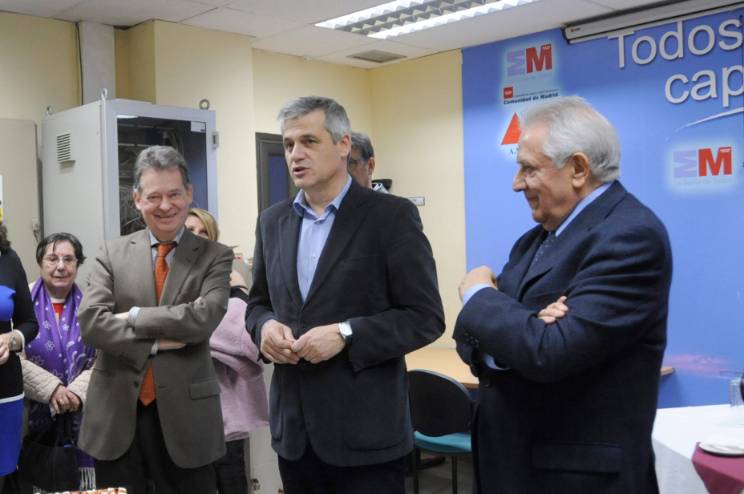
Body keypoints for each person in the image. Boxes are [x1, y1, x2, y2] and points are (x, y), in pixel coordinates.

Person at [454, 96, 672, 493]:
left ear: (578, 169)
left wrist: (479, 294)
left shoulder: (630, 236)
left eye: (529, 168)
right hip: (511, 467)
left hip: (577, 480)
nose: (516, 183)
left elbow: (550, 352)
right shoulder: (533, 241)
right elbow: (471, 339)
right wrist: (525, 328)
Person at [246, 96, 444, 494]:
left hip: (366, 438)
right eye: (288, 144)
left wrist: (346, 333)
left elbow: (425, 317)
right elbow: (258, 304)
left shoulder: (390, 217)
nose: (295, 154)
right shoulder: (272, 222)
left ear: (343, 145)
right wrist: (264, 327)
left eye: (309, 141)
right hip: (296, 437)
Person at [78, 145, 233, 494]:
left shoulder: (215, 256)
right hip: (116, 417)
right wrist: (158, 342)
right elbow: (91, 323)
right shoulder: (110, 253)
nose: (165, 205)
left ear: (189, 193)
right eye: (154, 196)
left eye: (174, 194)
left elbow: (203, 319)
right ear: (137, 199)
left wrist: (134, 316)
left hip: (187, 421)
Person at [185, 208, 269, 494]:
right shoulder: (166, 278)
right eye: (190, 231)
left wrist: (239, 291)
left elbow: (247, 338)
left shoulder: (229, 278)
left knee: (231, 481)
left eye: (204, 232)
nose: (197, 237)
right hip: (182, 410)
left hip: (225, 412)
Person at [21, 232, 97, 490]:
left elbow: (106, 359)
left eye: (69, 259)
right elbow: (12, 358)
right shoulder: (20, 304)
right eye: (52, 259)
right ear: (40, 263)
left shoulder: (93, 306)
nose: (61, 266)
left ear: (77, 264)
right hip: (31, 417)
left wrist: (75, 393)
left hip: (84, 414)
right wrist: (52, 389)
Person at [0, 222, 38, 491]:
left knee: (3, 472)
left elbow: (29, 323)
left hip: (5, 389)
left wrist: (10, 339)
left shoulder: (9, 258)